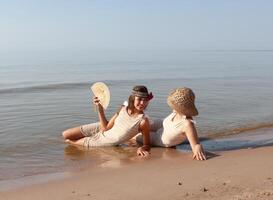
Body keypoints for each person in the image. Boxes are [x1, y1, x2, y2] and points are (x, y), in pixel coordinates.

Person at [62, 85, 153, 157]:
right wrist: (100, 108)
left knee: (69, 141)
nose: (142, 103)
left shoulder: (143, 121)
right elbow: (106, 128)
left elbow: (147, 144)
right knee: (65, 134)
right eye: (139, 99)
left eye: (145, 100)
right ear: (133, 99)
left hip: (105, 141)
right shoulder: (123, 108)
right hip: (104, 129)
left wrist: (142, 148)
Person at [136, 87, 206, 160]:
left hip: (159, 138)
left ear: (180, 107)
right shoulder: (176, 111)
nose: (172, 106)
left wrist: (197, 146)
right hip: (163, 124)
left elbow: (195, 145)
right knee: (138, 125)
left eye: (174, 105)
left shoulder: (187, 124)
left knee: (137, 137)